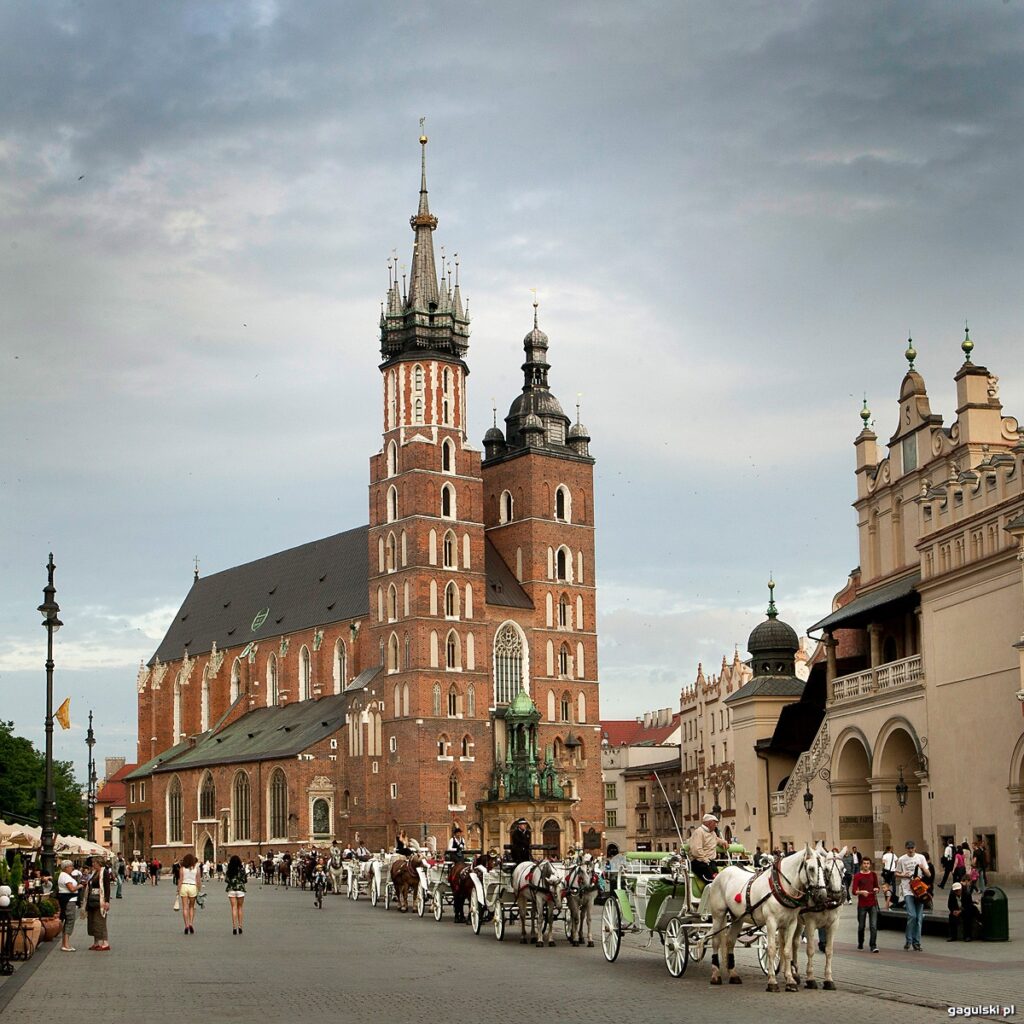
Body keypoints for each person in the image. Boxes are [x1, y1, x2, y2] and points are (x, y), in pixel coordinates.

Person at [895, 839, 931, 951]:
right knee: (912, 915)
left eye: (912, 848)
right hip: (907, 890)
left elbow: (928, 874)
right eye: (908, 848)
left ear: (915, 848)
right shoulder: (901, 859)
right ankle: (909, 940)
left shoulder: (921, 857)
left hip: (919, 891)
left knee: (919, 918)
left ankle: (917, 942)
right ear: (906, 849)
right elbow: (896, 874)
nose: (910, 850)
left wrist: (922, 868)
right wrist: (903, 875)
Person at [852, 856, 880, 952]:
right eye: (864, 863)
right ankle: (860, 943)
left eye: (868, 864)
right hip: (862, 905)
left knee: (873, 925)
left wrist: (877, 889)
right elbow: (854, 891)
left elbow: (876, 886)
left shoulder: (873, 874)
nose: (866, 865)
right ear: (861, 864)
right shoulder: (857, 876)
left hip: (873, 903)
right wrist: (861, 892)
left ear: (870, 865)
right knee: (861, 926)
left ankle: (873, 945)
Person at [688, 813, 727, 883]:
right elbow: (696, 850)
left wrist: (723, 842)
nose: (716, 825)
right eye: (715, 823)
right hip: (700, 862)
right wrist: (705, 859)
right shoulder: (699, 832)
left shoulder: (712, 833)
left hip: (710, 862)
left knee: (717, 878)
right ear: (709, 823)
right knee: (711, 880)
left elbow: (716, 839)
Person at [84, 856, 112, 951]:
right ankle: (96, 942)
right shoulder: (94, 873)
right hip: (92, 900)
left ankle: (105, 943)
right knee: (93, 921)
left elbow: (107, 888)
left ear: (99, 863)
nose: (92, 864)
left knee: (100, 921)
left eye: (94, 862)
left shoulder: (104, 872)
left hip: (100, 899)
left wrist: (107, 901)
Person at [56, 860, 79, 952]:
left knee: (67, 920)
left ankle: (64, 943)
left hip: (66, 900)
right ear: (66, 868)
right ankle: (66, 944)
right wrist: (80, 886)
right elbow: (72, 889)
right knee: (70, 920)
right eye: (70, 866)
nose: (72, 868)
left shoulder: (63, 875)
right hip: (69, 900)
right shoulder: (65, 876)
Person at [178, 853, 201, 935]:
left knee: (185, 907)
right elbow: (198, 880)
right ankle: (191, 923)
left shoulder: (182, 868)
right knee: (191, 907)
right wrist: (199, 890)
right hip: (192, 887)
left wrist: (178, 890)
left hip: (184, 886)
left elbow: (180, 880)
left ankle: (186, 925)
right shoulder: (197, 869)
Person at [225, 854, 246, 935]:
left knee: (234, 907)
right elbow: (244, 879)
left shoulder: (229, 869)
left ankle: (234, 927)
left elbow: (226, 880)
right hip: (240, 889)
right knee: (240, 907)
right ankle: (240, 926)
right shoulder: (242, 869)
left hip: (231, 890)